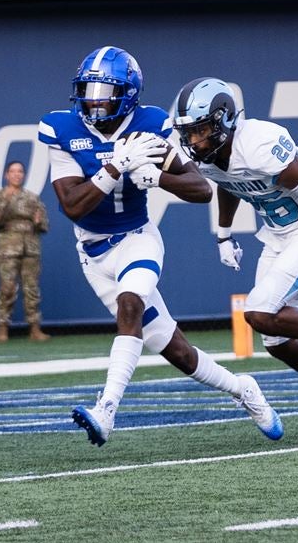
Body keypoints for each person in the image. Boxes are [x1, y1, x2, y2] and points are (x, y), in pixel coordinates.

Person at [37, 45, 283, 446]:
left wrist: (155, 177)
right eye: (89, 91)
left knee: (129, 305)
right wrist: (114, 166)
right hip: (93, 253)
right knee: (178, 353)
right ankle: (244, 390)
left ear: (127, 95)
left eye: (105, 93)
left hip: (137, 239)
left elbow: (201, 189)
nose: (94, 102)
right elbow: (72, 206)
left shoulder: (152, 124)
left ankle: (107, 411)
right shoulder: (61, 129)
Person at [170, 77, 298, 438]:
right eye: (188, 133)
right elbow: (228, 182)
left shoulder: (261, 144)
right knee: (275, 341)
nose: (193, 141)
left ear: (224, 120)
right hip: (279, 236)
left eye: (201, 130)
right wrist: (223, 233)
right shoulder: (208, 156)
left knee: (258, 312)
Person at [0, 160, 52, 342]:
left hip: (30, 248)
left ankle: (34, 328)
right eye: (13, 171)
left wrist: (39, 222)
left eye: (20, 171)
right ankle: (2, 328)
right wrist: (6, 201)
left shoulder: (33, 198)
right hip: (7, 249)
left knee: (31, 289)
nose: (17, 175)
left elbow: (45, 224)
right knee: (6, 288)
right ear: (6, 175)